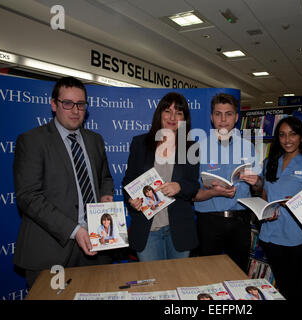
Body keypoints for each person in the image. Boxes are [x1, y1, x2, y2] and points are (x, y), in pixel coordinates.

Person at [13, 76, 114, 289]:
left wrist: (105, 197)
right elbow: (28, 197)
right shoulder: (32, 141)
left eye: (80, 104)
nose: (75, 110)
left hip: (95, 246)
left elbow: (105, 177)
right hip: (50, 250)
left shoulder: (95, 139)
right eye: (67, 103)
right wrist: (75, 230)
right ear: (53, 104)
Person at [122, 92, 199, 261]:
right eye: (167, 111)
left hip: (179, 230)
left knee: (179, 282)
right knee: (153, 284)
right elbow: (129, 180)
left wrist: (180, 187)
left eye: (179, 113)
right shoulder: (140, 143)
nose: (172, 117)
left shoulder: (191, 148)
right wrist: (132, 199)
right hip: (148, 231)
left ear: (184, 119)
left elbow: (194, 185)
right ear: (160, 114)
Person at [254, 116, 302, 300]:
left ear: (301, 137)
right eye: (282, 135)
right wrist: (265, 210)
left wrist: (297, 202)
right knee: (281, 285)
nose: (287, 140)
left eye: (292, 134)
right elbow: (265, 193)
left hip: (296, 238)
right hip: (270, 235)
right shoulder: (270, 162)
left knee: (296, 288)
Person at [193, 93, 258, 273]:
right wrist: (213, 191)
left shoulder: (248, 147)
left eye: (228, 114)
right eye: (218, 114)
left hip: (240, 223)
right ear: (212, 117)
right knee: (207, 276)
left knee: (238, 274)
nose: (223, 119)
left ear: (236, 117)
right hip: (209, 222)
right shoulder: (198, 149)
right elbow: (193, 193)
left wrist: (256, 181)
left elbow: (259, 187)